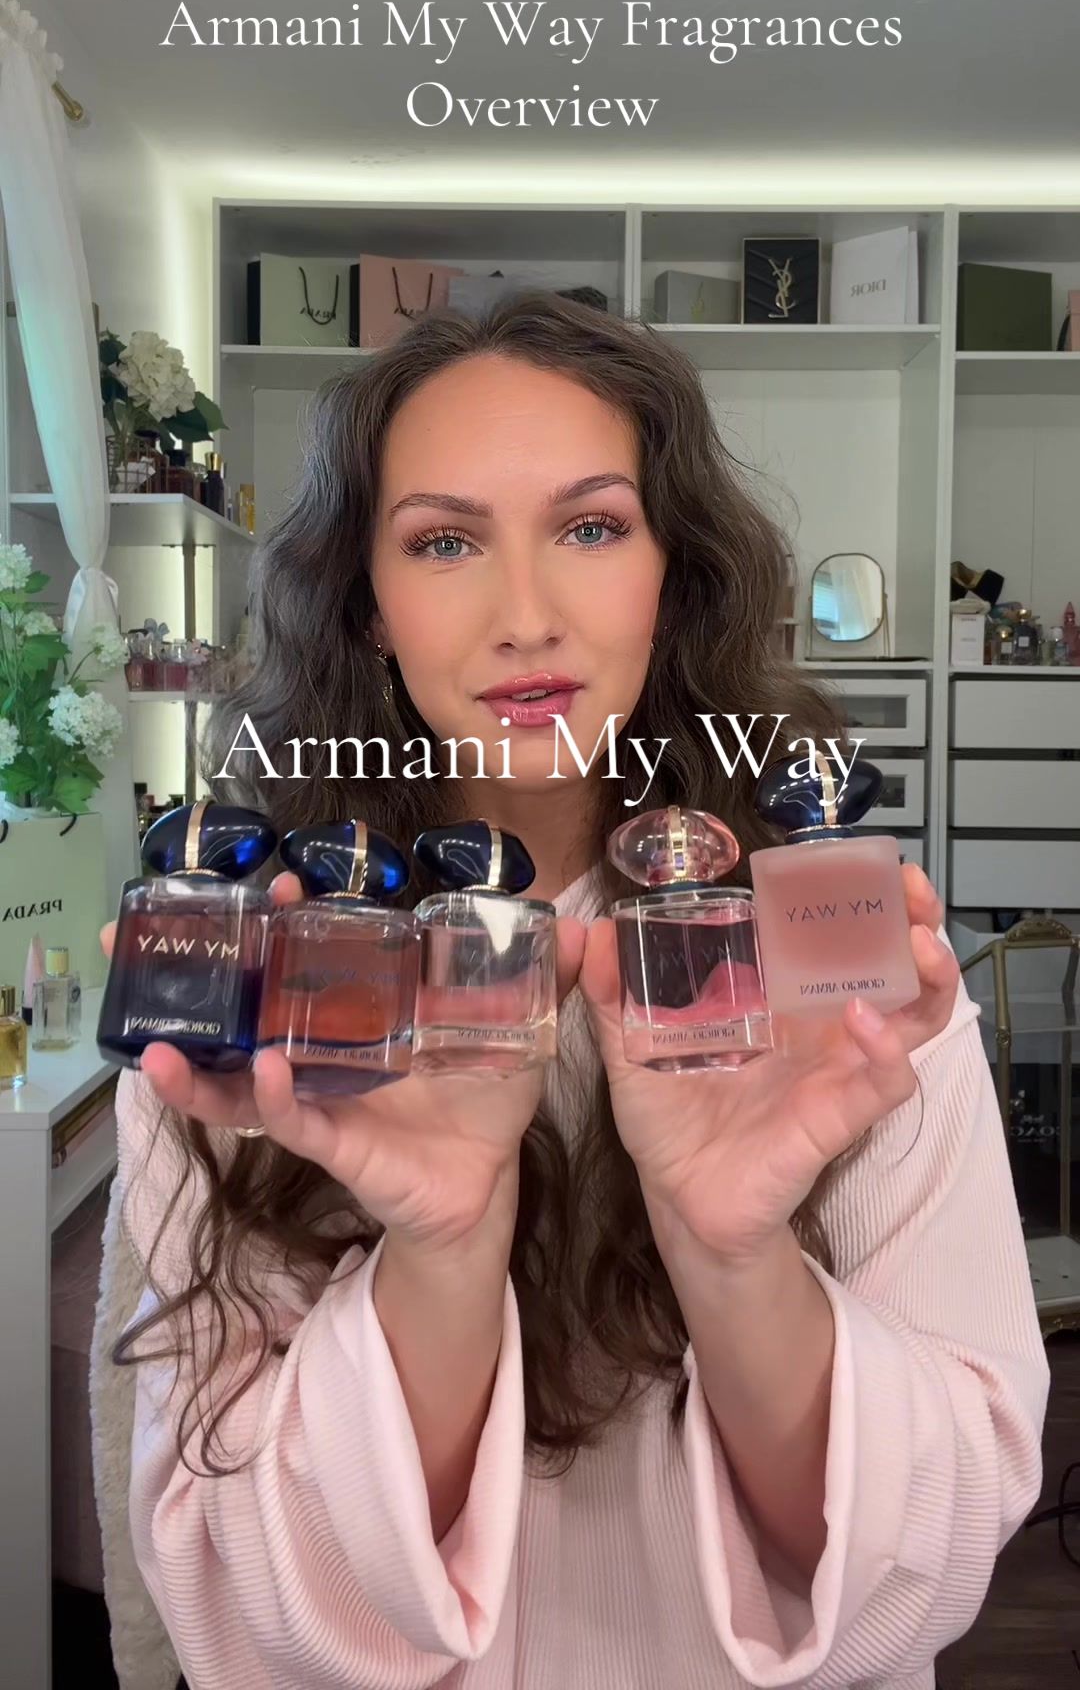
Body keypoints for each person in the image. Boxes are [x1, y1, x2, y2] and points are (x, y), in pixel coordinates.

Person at [107, 292, 1049, 1690]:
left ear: (675, 573)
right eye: (444, 542)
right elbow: (238, 1611)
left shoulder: (837, 976)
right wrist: (441, 1254)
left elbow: (931, 1559)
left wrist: (734, 1261)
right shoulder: (253, 988)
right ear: (367, 606)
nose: (527, 615)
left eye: (593, 528)